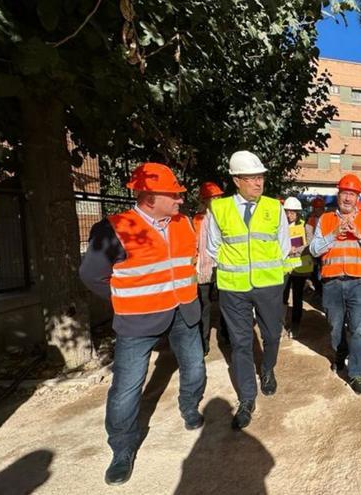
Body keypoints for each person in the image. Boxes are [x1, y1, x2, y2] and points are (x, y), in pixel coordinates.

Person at [79, 162, 205, 485]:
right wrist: (125, 298)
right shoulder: (114, 228)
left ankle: (190, 407)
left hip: (184, 310)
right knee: (127, 388)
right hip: (138, 320)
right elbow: (91, 275)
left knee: (194, 367)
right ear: (150, 197)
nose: (180, 200)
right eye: (174, 195)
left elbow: (188, 262)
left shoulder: (184, 223)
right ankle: (122, 448)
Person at [205, 150, 290, 430]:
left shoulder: (274, 208)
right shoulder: (218, 209)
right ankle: (246, 399)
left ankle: (267, 369)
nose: (258, 182)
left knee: (272, 335)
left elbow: (284, 246)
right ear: (236, 180)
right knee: (241, 343)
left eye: (261, 177)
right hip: (234, 288)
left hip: (268, 285)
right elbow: (212, 248)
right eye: (252, 177)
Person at [309, 174, 361, 394]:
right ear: (338, 195)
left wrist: (359, 235)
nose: (347, 198)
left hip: (359, 283)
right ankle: (340, 355)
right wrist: (333, 235)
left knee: (359, 329)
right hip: (332, 284)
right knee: (335, 327)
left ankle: (356, 374)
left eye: (352, 194)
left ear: (358, 197)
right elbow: (313, 250)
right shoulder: (326, 220)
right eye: (344, 193)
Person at [192, 181, 227, 356]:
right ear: (205, 200)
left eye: (219, 197)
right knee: (204, 305)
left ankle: (226, 334)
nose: (218, 200)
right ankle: (203, 341)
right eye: (214, 198)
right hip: (204, 268)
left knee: (225, 302)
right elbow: (194, 244)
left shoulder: (225, 217)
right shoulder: (197, 220)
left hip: (222, 265)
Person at [282, 196, 313, 337]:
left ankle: (295, 325)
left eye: (292, 212)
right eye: (287, 212)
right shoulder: (281, 226)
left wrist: (296, 249)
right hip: (284, 267)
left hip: (300, 267)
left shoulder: (306, 226)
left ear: (298, 212)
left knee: (297, 297)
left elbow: (311, 244)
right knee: (282, 296)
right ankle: (281, 322)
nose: (289, 215)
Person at [306, 196, 326, 297]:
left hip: (325, 251)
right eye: (316, 208)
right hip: (314, 250)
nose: (318, 210)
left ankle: (322, 292)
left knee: (323, 274)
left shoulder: (328, 218)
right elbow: (308, 235)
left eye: (320, 208)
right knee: (314, 274)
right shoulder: (310, 220)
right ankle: (319, 291)